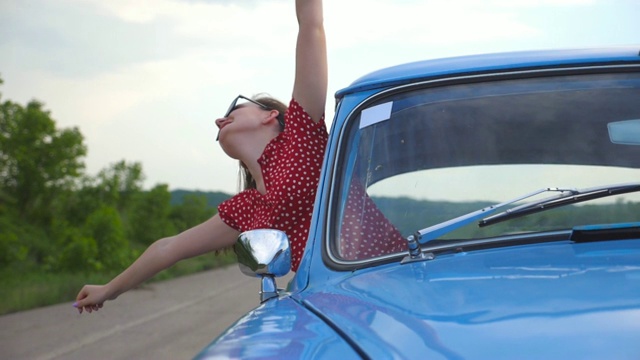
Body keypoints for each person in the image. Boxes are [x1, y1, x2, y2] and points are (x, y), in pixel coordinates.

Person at [73, 0, 328, 314]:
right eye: (220, 120)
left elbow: (310, 24)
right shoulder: (247, 208)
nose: (220, 120)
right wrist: (109, 289)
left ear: (270, 116)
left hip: (384, 270)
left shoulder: (302, 134)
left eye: (233, 108)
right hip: (324, 297)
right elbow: (169, 248)